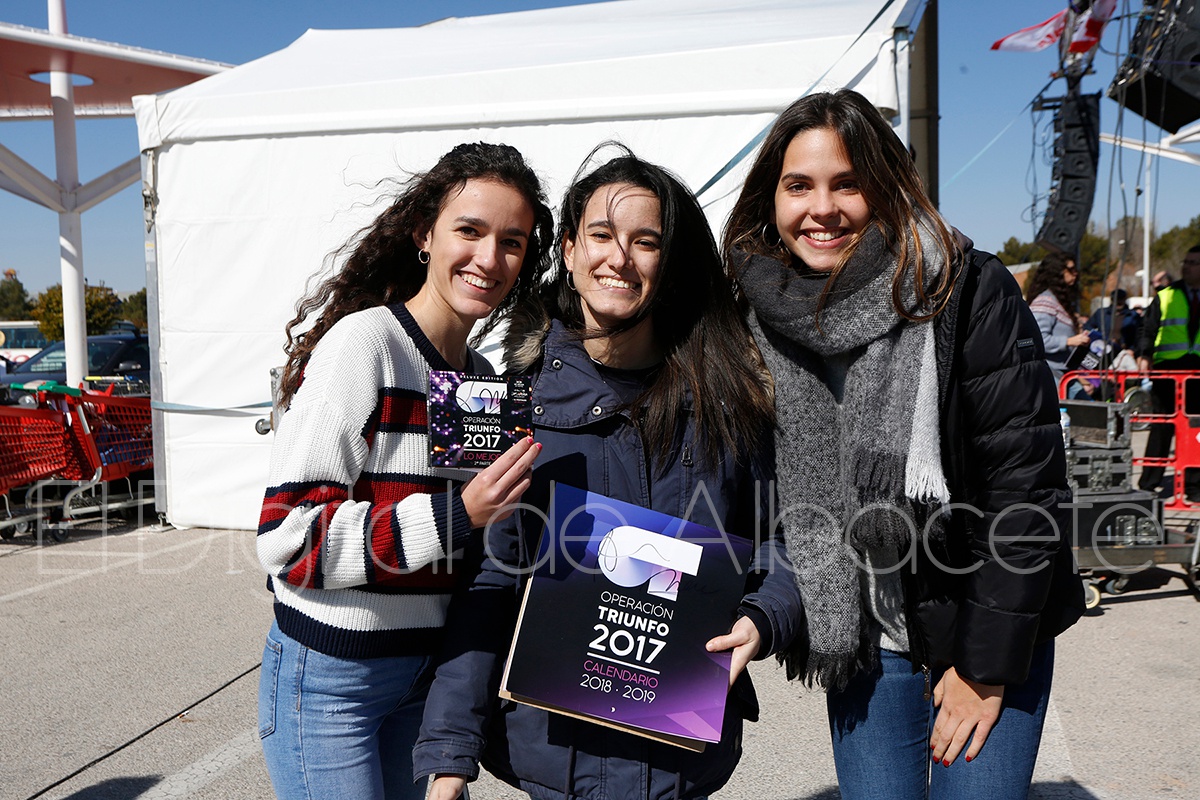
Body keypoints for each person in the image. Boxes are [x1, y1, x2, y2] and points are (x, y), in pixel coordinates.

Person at [722, 89, 1084, 800]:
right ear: (772, 198)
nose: (822, 208)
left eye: (847, 183)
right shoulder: (754, 315)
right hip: (865, 644)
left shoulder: (963, 287)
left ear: (886, 187)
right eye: (799, 186)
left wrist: (982, 668)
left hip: (978, 628)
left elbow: (1026, 491)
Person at [413, 149, 798, 800]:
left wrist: (764, 616)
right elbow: (488, 583)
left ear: (669, 262)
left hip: (680, 758)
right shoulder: (514, 409)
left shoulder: (728, 403)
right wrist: (449, 754)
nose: (619, 258)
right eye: (601, 235)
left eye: (646, 241)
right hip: (554, 757)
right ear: (568, 250)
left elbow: (785, 539)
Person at [255, 142, 553, 800]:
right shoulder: (365, 344)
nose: (489, 258)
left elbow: (470, 552)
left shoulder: (482, 380)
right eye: (469, 230)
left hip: (427, 680)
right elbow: (288, 538)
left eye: (511, 242)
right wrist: (458, 515)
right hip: (332, 683)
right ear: (424, 234)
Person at [1136, 244, 1200, 499]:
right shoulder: (1165, 295)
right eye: (1186, 262)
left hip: (1197, 372)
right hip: (1168, 371)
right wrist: (1144, 354)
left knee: (1196, 428)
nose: (1187, 267)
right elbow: (1147, 328)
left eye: (1193, 263)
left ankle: (1194, 486)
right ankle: (1148, 483)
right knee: (1162, 425)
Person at [1024, 251, 1093, 396]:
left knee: (1087, 406)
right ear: (1057, 272)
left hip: (1065, 375)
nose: (1076, 274)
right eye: (1071, 269)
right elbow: (1037, 340)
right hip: (1050, 376)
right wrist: (1069, 341)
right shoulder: (1044, 302)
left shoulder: (1058, 302)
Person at [1087, 287, 1141, 355]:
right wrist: (1099, 339)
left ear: (1125, 299)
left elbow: (1139, 336)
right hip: (1102, 350)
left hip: (1124, 351)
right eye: (1116, 299)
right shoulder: (1101, 313)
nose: (1118, 302)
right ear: (1111, 300)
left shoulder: (1133, 316)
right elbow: (1088, 327)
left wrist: (1132, 349)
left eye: (1120, 299)